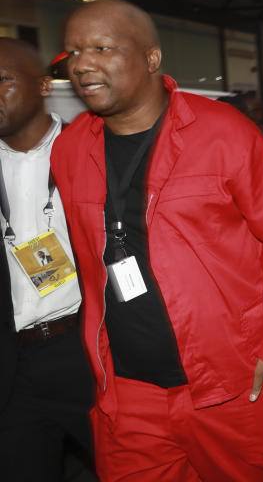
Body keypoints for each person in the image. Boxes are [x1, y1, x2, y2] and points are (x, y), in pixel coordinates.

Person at [51, 0, 263, 481]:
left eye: (103, 48)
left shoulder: (223, 132)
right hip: (127, 390)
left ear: (152, 59)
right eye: (74, 52)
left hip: (232, 379)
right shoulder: (70, 148)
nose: (83, 63)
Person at [0, 38, 93, 481]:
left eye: (2, 80)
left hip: (85, 348)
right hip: (13, 364)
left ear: (41, 86)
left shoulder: (91, 151)